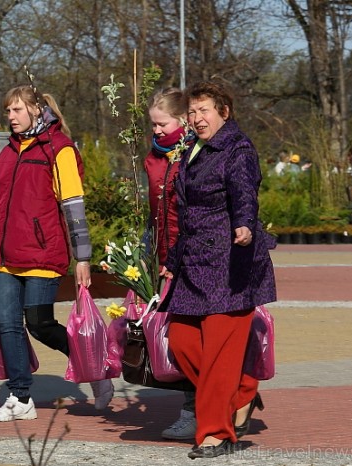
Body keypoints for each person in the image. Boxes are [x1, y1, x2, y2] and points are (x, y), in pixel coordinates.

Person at [160, 81, 277, 459]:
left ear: (223, 112)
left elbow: (245, 191)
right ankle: (243, 390)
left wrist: (244, 224)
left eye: (204, 110)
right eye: (191, 112)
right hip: (194, 264)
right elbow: (187, 212)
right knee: (180, 341)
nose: (196, 118)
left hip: (231, 264)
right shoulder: (194, 150)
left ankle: (216, 433)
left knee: (219, 356)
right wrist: (171, 262)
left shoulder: (237, 148)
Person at [0, 85, 114, 421]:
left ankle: (95, 369)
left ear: (35, 109)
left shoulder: (59, 149)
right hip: (6, 254)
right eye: (7, 111)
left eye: (16, 110)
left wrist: (82, 256)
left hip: (43, 252)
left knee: (40, 324)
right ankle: (20, 397)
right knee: (10, 326)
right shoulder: (9, 151)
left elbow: (73, 207)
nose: (10, 117)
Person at [143, 87, 197, 440]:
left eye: (162, 125)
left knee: (186, 338)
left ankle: (194, 411)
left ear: (182, 120)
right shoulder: (152, 157)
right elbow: (154, 211)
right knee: (174, 339)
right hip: (165, 256)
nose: (157, 131)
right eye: (153, 126)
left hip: (192, 255)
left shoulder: (195, 154)